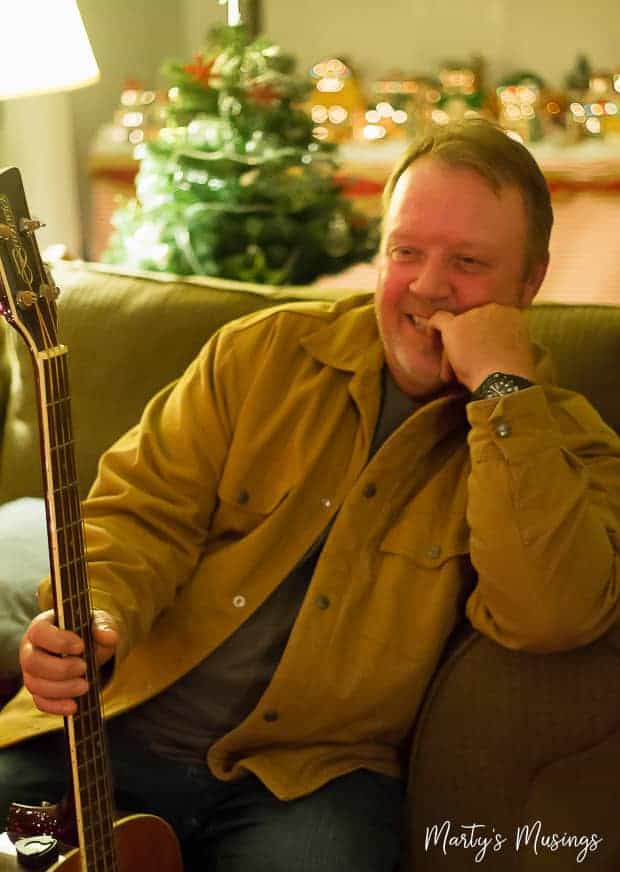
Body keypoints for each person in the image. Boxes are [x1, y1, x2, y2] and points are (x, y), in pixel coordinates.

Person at [1, 119, 619, 871]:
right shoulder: (260, 353)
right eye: (406, 252)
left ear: (530, 281)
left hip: (312, 779)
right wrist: (98, 613)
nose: (427, 286)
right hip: (117, 722)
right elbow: (140, 513)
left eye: (468, 262)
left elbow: (550, 613)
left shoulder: (567, 445)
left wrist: (502, 396)